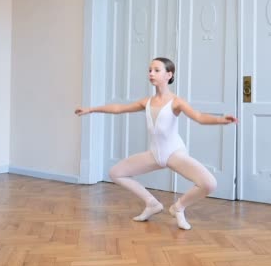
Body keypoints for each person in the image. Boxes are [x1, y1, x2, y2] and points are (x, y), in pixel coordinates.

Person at [75, 57, 237, 230]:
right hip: (154, 154)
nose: (151, 73)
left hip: (174, 154)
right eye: (150, 70)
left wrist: (220, 120)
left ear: (169, 74)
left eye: (156, 70)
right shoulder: (147, 102)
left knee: (209, 184)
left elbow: (198, 117)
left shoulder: (176, 102)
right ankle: (152, 204)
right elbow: (119, 109)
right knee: (116, 173)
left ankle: (178, 207)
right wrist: (91, 109)